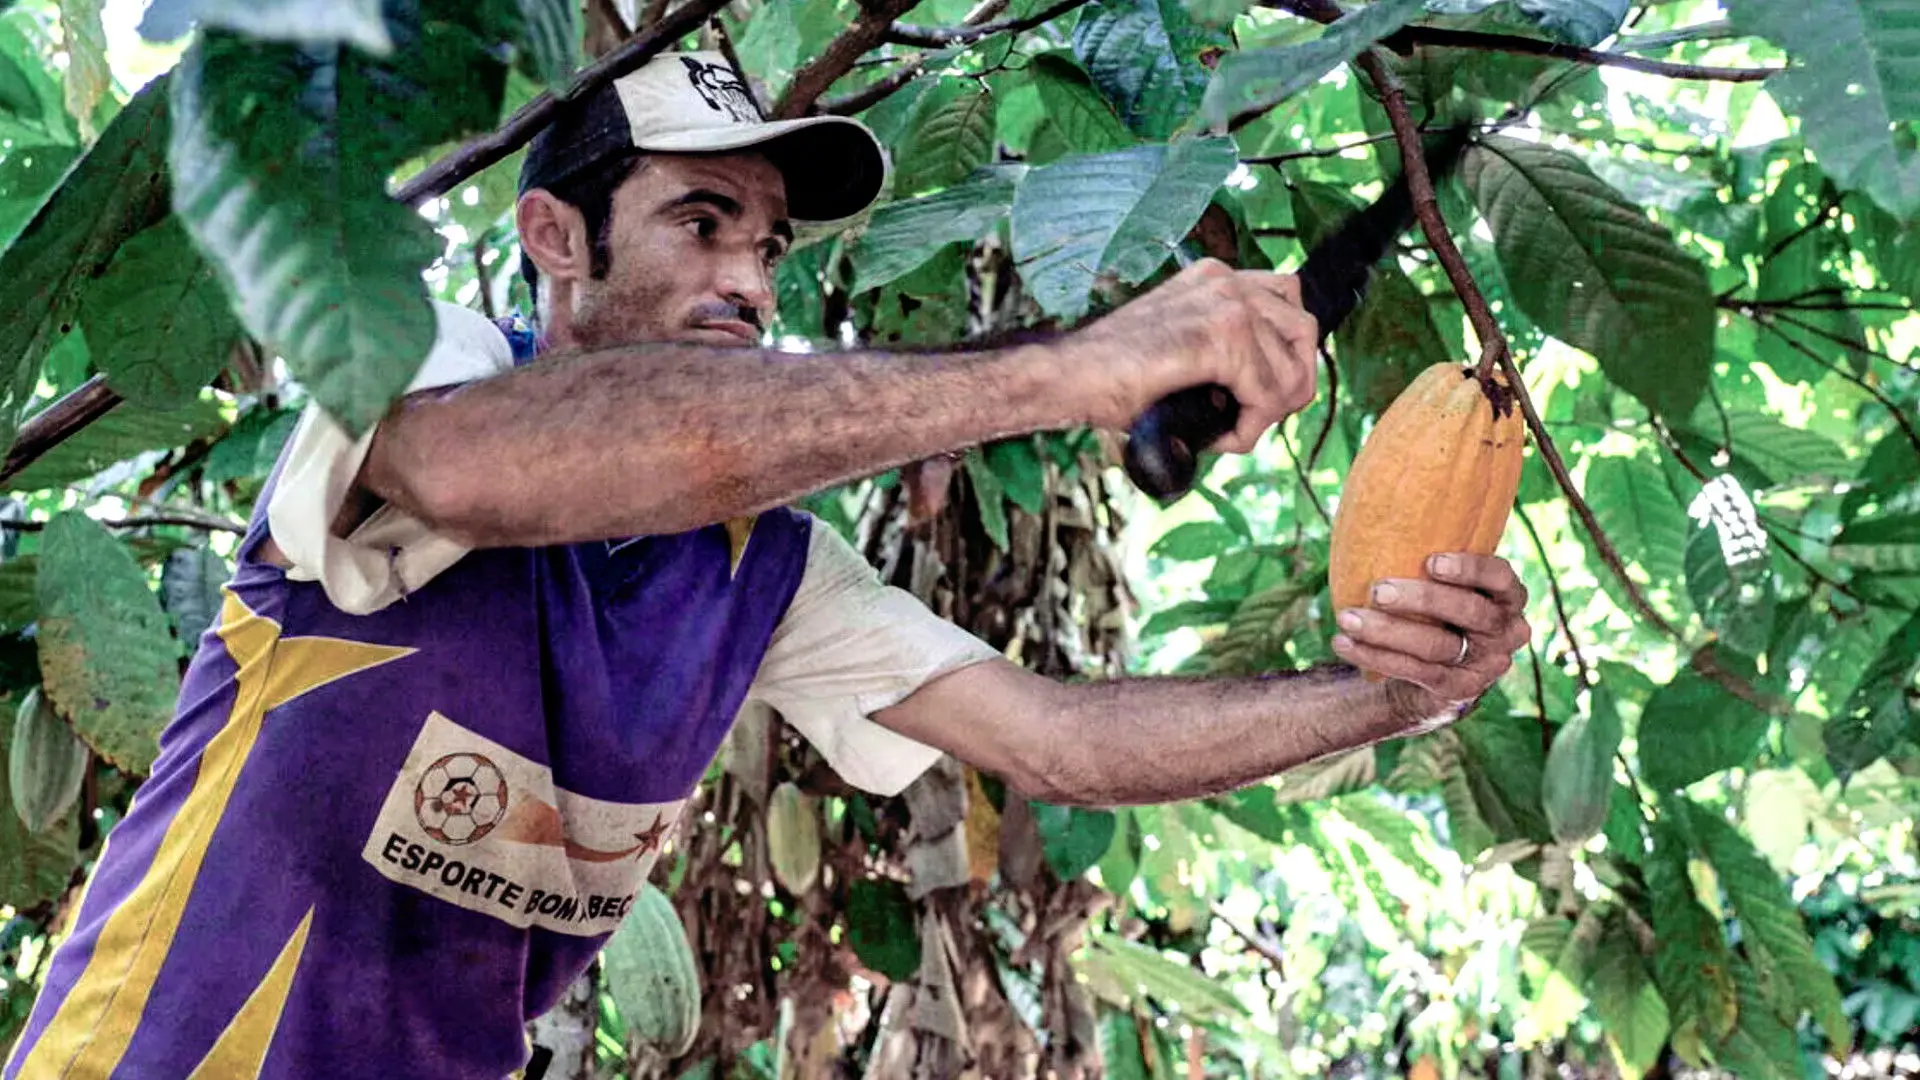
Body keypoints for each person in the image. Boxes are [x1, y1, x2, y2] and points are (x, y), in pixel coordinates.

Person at [4, 50, 1531, 1079]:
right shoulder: (426, 375)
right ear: (553, 235)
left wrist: (1379, 697)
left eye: (770, 246)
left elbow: (1059, 736)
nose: (747, 278)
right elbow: (479, 463)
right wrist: (1068, 368)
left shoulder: (761, 575)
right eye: (699, 218)